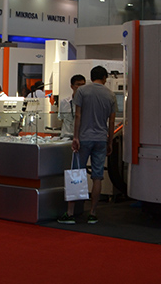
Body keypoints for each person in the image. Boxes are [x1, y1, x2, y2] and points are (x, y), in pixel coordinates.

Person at [59, 66, 117, 225]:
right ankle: (92, 213)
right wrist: (110, 141)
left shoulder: (82, 92)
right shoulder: (110, 95)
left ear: (91, 78)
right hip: (101, 139)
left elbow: (78, 115)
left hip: (84, 138)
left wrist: (75, 137)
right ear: (104, 78)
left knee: (77, 173)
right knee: (97, 177)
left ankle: (70, 213)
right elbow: (112, 121)